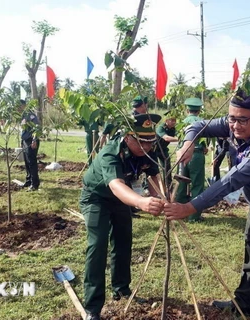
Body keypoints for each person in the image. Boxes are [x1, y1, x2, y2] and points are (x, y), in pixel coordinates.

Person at [164, 89, 250, 320]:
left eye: (242, 120)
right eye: (231, 118)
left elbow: (230, 182)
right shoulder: (235, 122)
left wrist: (190, 207)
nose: (235, 126)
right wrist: (189, 142)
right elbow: (198, 125)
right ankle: (244, 306)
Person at [80, 114, 164, 320]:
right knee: (97, 245)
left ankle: (121, 289)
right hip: (97, 198)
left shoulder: (146, 152)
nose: (148, 146)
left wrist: (162, 199)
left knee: (123, 240)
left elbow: (154, 176)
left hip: (122, 199)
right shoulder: (111, 153)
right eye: (143, 141)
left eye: (151, 141)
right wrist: (141, 202)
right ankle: (92, 307)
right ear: (128, 138)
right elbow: (116, 185)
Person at [175, 97, 208, 222]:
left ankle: (179, 212)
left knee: (181, 184)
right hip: (197, 155)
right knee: (197, 185)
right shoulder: (202, 122)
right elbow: (204, 141)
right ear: (199, 110)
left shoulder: (181, 123)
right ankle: (194, 216)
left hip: (182, 155)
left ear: (186, 109)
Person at [19, 99, 40, 191]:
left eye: (19, 106)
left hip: (31, 141)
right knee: (27, 163)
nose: (18, 109)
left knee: (32, 163)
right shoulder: (22, 116)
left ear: (24, 105)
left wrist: (34, 140)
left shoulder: (30, 115)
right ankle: (28, 181)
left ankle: (34, 184)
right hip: (25, 141)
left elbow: (37, 128)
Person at [156, 111, 178, 186]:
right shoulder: (160, 127)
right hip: (154, 149)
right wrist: (179, 139)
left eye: (174, 120)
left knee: (167, 166)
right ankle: (149, 185)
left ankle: (168, 185)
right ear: (166, 121)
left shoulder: (173, 129)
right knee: (153, 168)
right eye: (171, 120)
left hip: (163, 149)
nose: (173, 122)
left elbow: (179, 133)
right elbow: (166, 138)